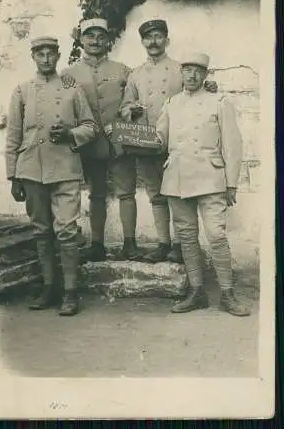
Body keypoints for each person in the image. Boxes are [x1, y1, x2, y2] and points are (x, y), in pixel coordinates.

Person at [5, 36, 98, 316]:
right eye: (40, 54)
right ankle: (49, 287)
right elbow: (13, 136)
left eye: (50, 54)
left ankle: (70, 292)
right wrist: (13, 175)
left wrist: (70, 133)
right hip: (31, 169)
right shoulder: (22, 91)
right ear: (33, 57)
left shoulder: (72, 89)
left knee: (67, 231)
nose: (45, 59)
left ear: (58, 56)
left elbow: (91, 127)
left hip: (66, 168)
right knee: (41, 231)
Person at [156, 52, 250, 316]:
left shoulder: (219, 102)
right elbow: (158, 140)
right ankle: (197, 292)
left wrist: (231, 183)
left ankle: (228, 294)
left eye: (198, 70)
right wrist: (131, 131)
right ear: (181, 73)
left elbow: (233, 145)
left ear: (206, 74)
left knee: (217, 236)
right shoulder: (172, 103)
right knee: (186, 237)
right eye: (188, 70)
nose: (193, 75)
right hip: (177, 178)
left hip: (211, 178)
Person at [120, 19, 217, 264]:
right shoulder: (136, 74)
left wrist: (211, 86)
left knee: (178, 194)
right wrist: (130, 110)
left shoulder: (179, 69)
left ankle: (179, 245)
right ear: (142, 42)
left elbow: (199, 91)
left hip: (175, 143)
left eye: (158, 36)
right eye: (148, 38)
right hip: (145, 140)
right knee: (155, 195)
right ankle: (163, 243)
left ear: (167, 40)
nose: (153, 42)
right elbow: (125, 106)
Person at [61, 18, 143, 262]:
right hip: (90, 144)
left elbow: (133, 100)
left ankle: (130, 243)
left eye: (100, 36)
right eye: (89, 36)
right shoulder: (68, 74)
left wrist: (126, 120)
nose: (95, 41)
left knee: (127, 192)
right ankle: (97, 244)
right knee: (96, 194)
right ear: (81, 39)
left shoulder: (122, 70)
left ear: (108, 40)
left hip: (118, 141)